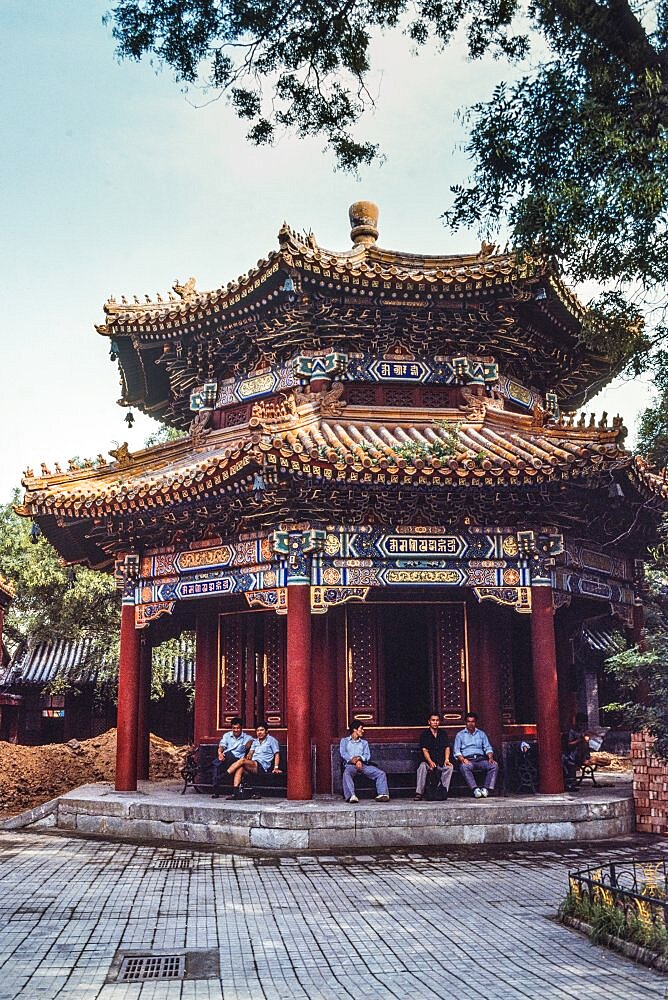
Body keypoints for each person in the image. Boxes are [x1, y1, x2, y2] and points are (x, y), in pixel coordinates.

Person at [226, 722, 282, 800]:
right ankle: (236, 793)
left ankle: (225, 774)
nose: (259, 732)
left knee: (242, 761)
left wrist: (276, 767)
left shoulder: (271, 740)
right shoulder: (255, 741)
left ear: (266, 731)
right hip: (253, 765)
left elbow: (276, 754)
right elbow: (251, 752)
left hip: (263, 766)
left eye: (262, 730)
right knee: (240, 768)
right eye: (258, 730)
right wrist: (249, 755)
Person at [339, 720, 390, 803]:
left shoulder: (364, 743)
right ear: (355, 729)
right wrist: (354, 761)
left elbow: (367, 755)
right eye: (361, 729)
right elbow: (343, 753)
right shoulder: (344, 741)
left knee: (381, 773)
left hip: (363, 765)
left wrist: (359, 759)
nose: (363, 731)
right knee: (347, 773)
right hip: (350, 765)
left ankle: (383, 794)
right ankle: (351, 796)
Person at [453, 712, 498, 798]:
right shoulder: (460, 735)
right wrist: (463, 759)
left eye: (473, 721)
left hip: (481, 759)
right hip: (468, 759)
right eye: (468, 721)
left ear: (475, 722)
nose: (471, 724)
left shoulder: (481, 734)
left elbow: (488, 747)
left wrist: (490, 757)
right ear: (465, 723)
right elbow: (457, 751)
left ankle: (486, 789)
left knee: (494, 766)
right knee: (464, 767)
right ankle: (475, 789)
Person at [415, 712, 453, 801]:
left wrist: (447, 759)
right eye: (433, 720)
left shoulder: (443, 734)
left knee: (449, 767)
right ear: (429, 722)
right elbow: (425, 750)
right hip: (429, 763)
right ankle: (419, 793)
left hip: (440, 762)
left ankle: (442, 791)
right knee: (422, 767)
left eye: (437, 720)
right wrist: (430, 762)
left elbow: (447, 747)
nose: (435, 722)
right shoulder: (425, 734)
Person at [211, 717, 253, 798]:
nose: (236, 730)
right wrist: (220, 753)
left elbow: (253, 742)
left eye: (238, 728)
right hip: (226, 757)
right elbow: (222, 746)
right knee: (217, 765)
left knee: (217, 763)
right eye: (234, 728)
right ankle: (216, 790)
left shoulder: (247, 737)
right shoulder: (227, 735)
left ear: (241, 728)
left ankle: (217, 776)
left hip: (237, 759)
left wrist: (250, 745)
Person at [562, 712, 591, 791]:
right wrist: (579, 740)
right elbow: (569, 744)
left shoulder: (582, 730)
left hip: (581, 753)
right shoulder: (571, 731)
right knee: (570, 764)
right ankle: (570, 784)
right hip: (571, 754)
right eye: (581, 724)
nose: (582, 726)